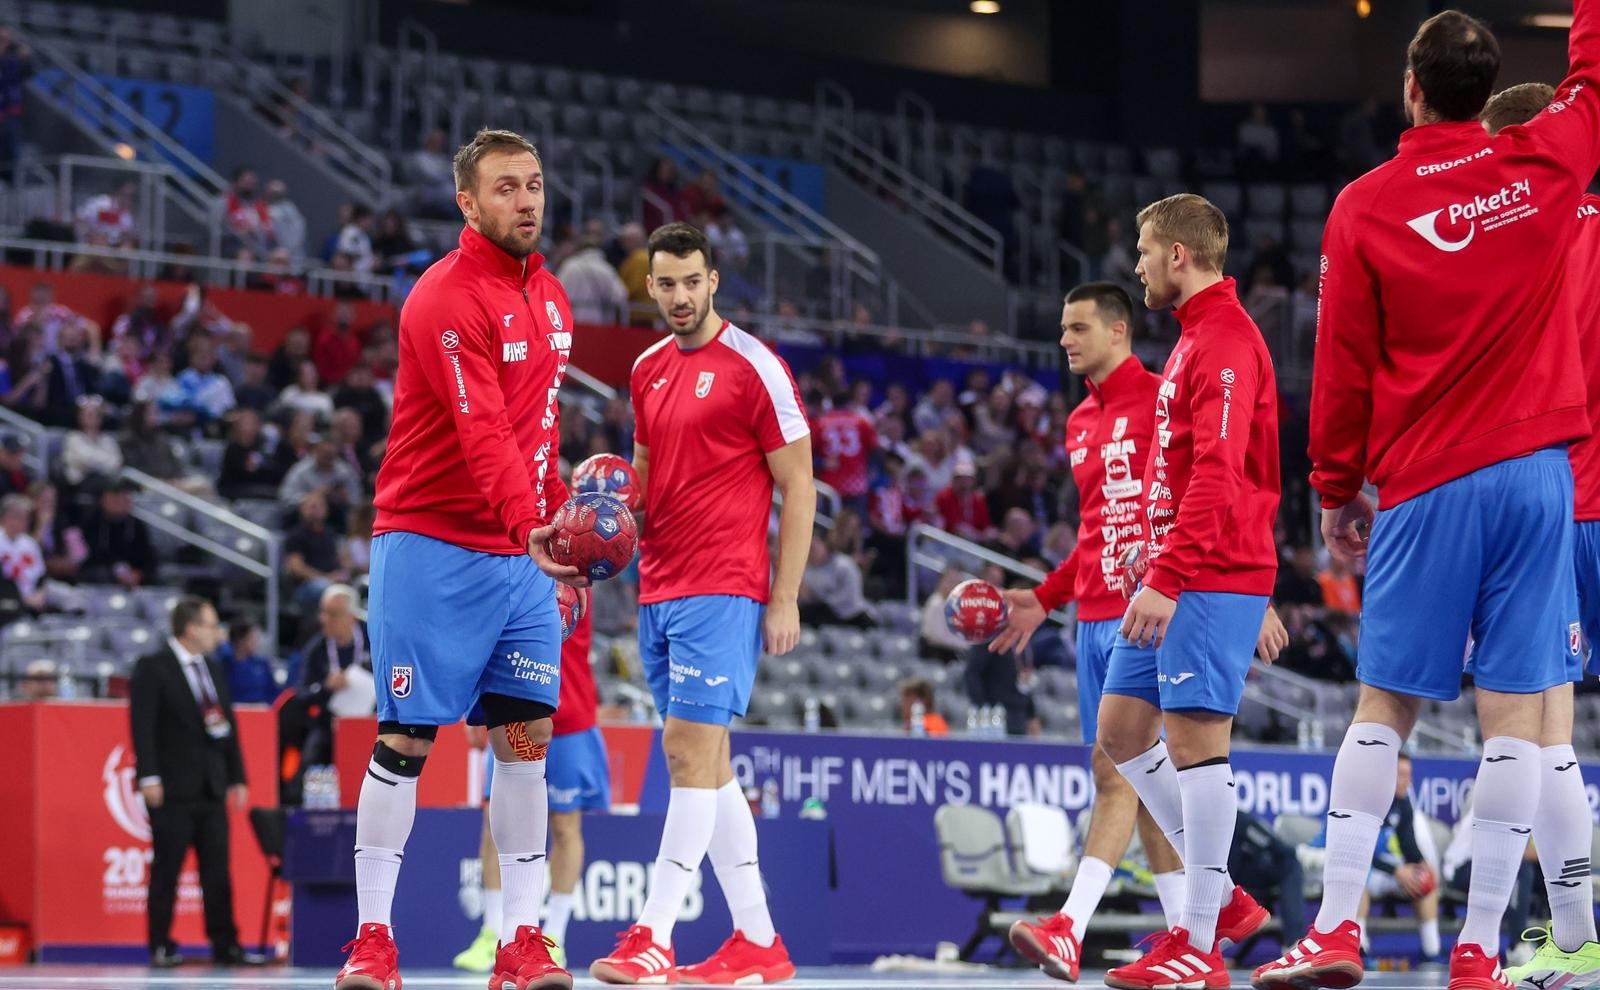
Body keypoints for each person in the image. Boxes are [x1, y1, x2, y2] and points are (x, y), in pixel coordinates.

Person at [1256, 9, 1600, 990]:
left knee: (1384, 710)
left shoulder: (1364, 205)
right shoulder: (1539, 170)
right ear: (1487, 90)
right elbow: (1594, 83)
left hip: (1428, 479)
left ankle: (1334, 929)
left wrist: (1330, 490)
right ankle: (1481, 948)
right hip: (1541, 480)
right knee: (1517, 721)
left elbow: (1341, 369)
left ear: (1410, 86)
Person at [335, 128, 578, 990]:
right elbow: (480, 432)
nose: (527, 200)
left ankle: (521, 941)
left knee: (524, 739)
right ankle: (373, 940)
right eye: (507, 188)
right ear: (468, 204)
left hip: (519, 560)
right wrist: (533, 527)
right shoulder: (442, 297)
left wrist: (558, 539)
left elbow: (538, 434)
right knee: (406, 739)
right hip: (431, 545)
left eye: (536, 184)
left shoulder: (551, 298)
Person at [592, 222, 812, 985]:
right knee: (709, 768)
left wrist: (783, 599)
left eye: (693, 281)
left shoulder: (757, 368)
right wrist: (602, 518)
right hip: (659, 584)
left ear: (714, 280)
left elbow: (800, 485)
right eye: (667, 284)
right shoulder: (648, 368)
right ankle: (759, 940)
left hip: (725, 586)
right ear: (648, 287)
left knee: (685, 751)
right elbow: (646, 474)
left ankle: (654, 933)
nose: (681, 296)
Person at [1083, 195, 1280, 990]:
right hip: (1178, 568)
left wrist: (1167, 574)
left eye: (1141, 249)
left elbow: (1221, 474)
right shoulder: (1196, 339)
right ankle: (1222, 896)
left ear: (1177, 255)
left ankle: (1198, 946)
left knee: (1199, 747)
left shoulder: (1225, 340)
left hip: (1213, 571)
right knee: (1123, 731)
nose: (1135, 264)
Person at [994, 281, 1203, 978]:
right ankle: (1191, 938)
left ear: (1119, 331)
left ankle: (1068, 926)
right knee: (1140, 785)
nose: (1065, 339)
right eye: (1062, 328)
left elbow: (1205, 489)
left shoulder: (1163, 398)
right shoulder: (1079, 421)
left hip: (1146, 612)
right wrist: (1045, 598)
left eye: (1078, 326)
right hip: (1091, 617)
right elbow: (1095, 533)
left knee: (1115, 773)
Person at [1479, 80, 1600, 985]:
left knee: (1548, 728)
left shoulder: (1512, 231)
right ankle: (1570, 937)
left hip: (1560, 501)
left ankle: (1572, 934)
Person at [456, 598, 610, 973]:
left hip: (570, 720)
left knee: (565, 827)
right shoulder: (509, 569)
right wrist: (473, 706)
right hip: (510, 711)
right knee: (496, 827)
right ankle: (493, 933)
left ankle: (554, 936)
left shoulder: (578, 568)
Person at [129, 597, 259, 968]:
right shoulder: (154, 667)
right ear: (190, 628)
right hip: (172, 787)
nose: (218, 632)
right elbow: (143, 726)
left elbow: (226, 726)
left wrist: (237, 776)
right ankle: (161, 943)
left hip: (212, 785)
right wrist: (148, 776)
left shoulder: (213, 670)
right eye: (211, 624)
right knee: (167, 869)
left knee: (218, 870)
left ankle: (226, 944)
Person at [294, 584, 373, 769]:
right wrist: (325, 686)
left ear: (351, 617)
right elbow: (301, 694)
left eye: (333, 614)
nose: (325, 619)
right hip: (329, 725)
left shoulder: (373, 639)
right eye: (323, 612)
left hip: (371, 722)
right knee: (308, 761)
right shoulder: (316, 648)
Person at [80, 480, 156, 588]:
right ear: (103, 500)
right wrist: (117, 571)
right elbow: (90, 556)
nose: (120, 502)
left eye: (124, 499)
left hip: (133, 573)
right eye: (115, 498)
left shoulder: (137, 525)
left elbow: (147, 555)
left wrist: (138, 573)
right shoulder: (92, 523)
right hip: (104, 571)